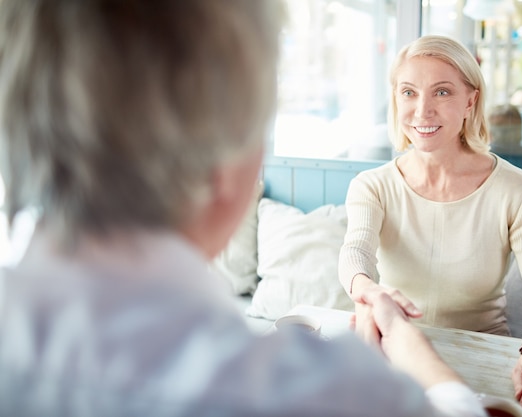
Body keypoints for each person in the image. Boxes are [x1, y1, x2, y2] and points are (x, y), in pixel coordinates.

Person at [0, 2, 488, 416]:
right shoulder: (319, 392)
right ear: (233, 163)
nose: (422, 108)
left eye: (441, 92)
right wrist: (400, 338)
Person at [338, 35, 522, 415]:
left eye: (442, 92)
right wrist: (368, 290)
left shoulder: (516, 189)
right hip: (396, 350)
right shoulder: (372, 186)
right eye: (409, 93)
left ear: (471, 101)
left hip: (484, 357)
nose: (422, 111)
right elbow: (356, 253)